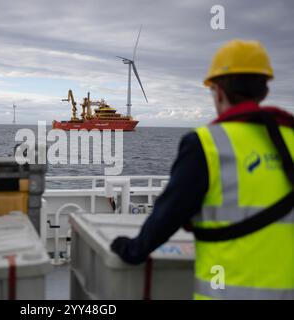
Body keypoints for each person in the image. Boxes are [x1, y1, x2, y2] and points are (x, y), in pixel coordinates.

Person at [111, 39, 294, 300]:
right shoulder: (290, 139)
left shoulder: (207, 144)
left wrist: (134, 250)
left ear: (217, 91)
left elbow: (169, 213)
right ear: (263, 91)